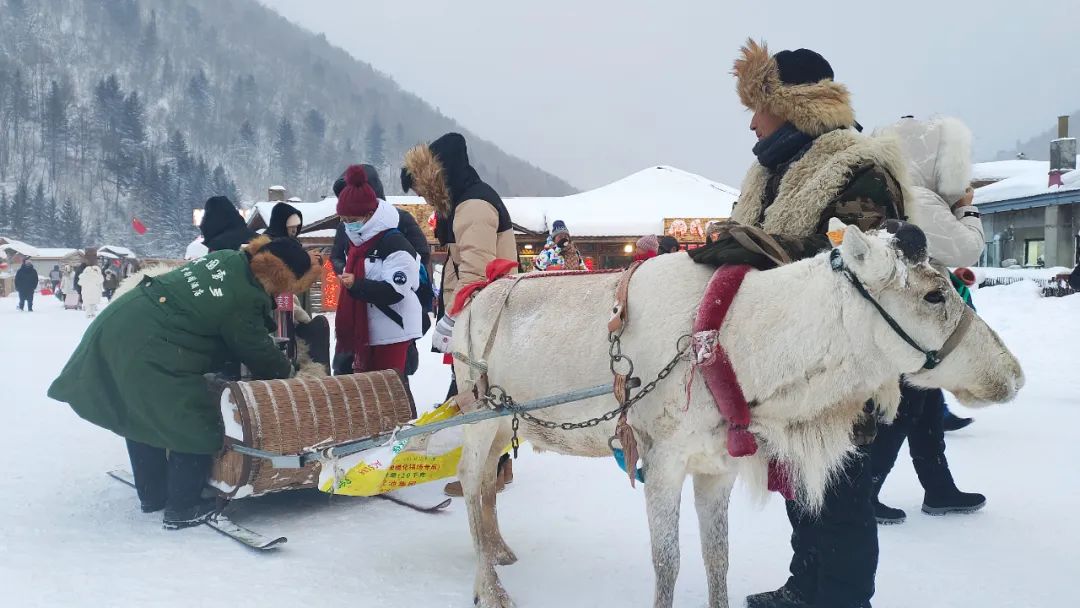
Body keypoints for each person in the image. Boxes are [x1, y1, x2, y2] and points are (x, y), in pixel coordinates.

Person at [693, 40, 908, 608]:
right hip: (786, 362)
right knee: (800, 487)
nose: (751, 127)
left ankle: (841, 599)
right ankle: (804, 586)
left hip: (847, 369)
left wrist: (755, 246)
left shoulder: (860, 167)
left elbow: (870, 257)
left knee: (841, 499)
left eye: (755, 110)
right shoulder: (767, 173)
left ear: (786, 104)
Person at [48, 236, 320, 529]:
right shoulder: (244, 297)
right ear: (282, 279)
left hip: (121, 324)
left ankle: (154, 495)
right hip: (150, 344)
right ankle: (184, 507)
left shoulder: (230, 258)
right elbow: (258, 351)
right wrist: (292, 374)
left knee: (144, 416)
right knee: (193, 424)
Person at [868, 116, 988, 524]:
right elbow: (965, 251)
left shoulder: (891, 192)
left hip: (902, 320)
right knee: (906, 405)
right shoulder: (923, 199)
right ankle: (867, 490)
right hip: (920, 322)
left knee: (924, 402)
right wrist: (967, 209)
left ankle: (939, 487)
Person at [401, 132, 517, 497]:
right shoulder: (466, 203)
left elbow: (476, 272)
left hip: (481, 321)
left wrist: (454, 320)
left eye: (421, 188)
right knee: (482, 393)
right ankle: (496, 468)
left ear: (439, 175)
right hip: (479, 318)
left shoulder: (474, 207)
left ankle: (483, 472)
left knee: (476, 395)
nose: (422, 197)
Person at [331, 164, 433, 377]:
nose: (348, 224)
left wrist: (364, 277)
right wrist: (346, 272)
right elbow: (338, 255)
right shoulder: (349, 227)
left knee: (390, 384)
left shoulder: (398, 224)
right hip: (359, 314)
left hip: (392, 319)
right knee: (362, 383)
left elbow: (418, 257)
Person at [264, 201, 332, 375]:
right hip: (279, 303)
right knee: (283, 339)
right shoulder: (271, 247)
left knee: (297, 339)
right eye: (290, 228)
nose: (294, 232)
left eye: (296, 228)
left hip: (295, 299)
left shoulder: (294, 246)